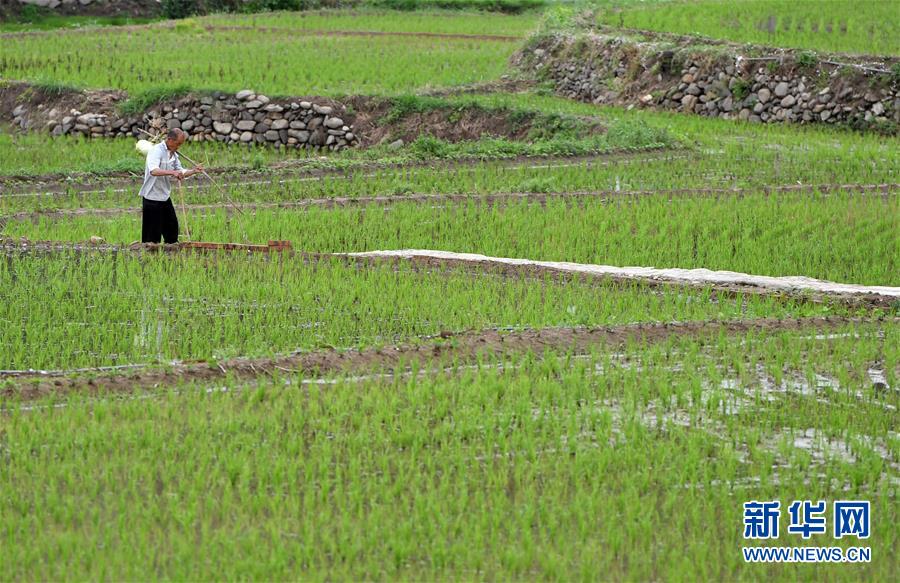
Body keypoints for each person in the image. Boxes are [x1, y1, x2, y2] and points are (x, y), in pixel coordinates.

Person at [138, 128, 204, 243]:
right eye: (177, 144)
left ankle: (171, 253)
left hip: (164, 197)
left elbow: (180, 171)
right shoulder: (156, 151)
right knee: (152, 236)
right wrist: (172, 172)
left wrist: (194, 171)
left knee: (172, 229)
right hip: (151, 198)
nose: (178, 147)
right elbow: (153, 171)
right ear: (169, 140)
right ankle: (151, 257)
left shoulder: (174, 155)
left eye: (180, 144)